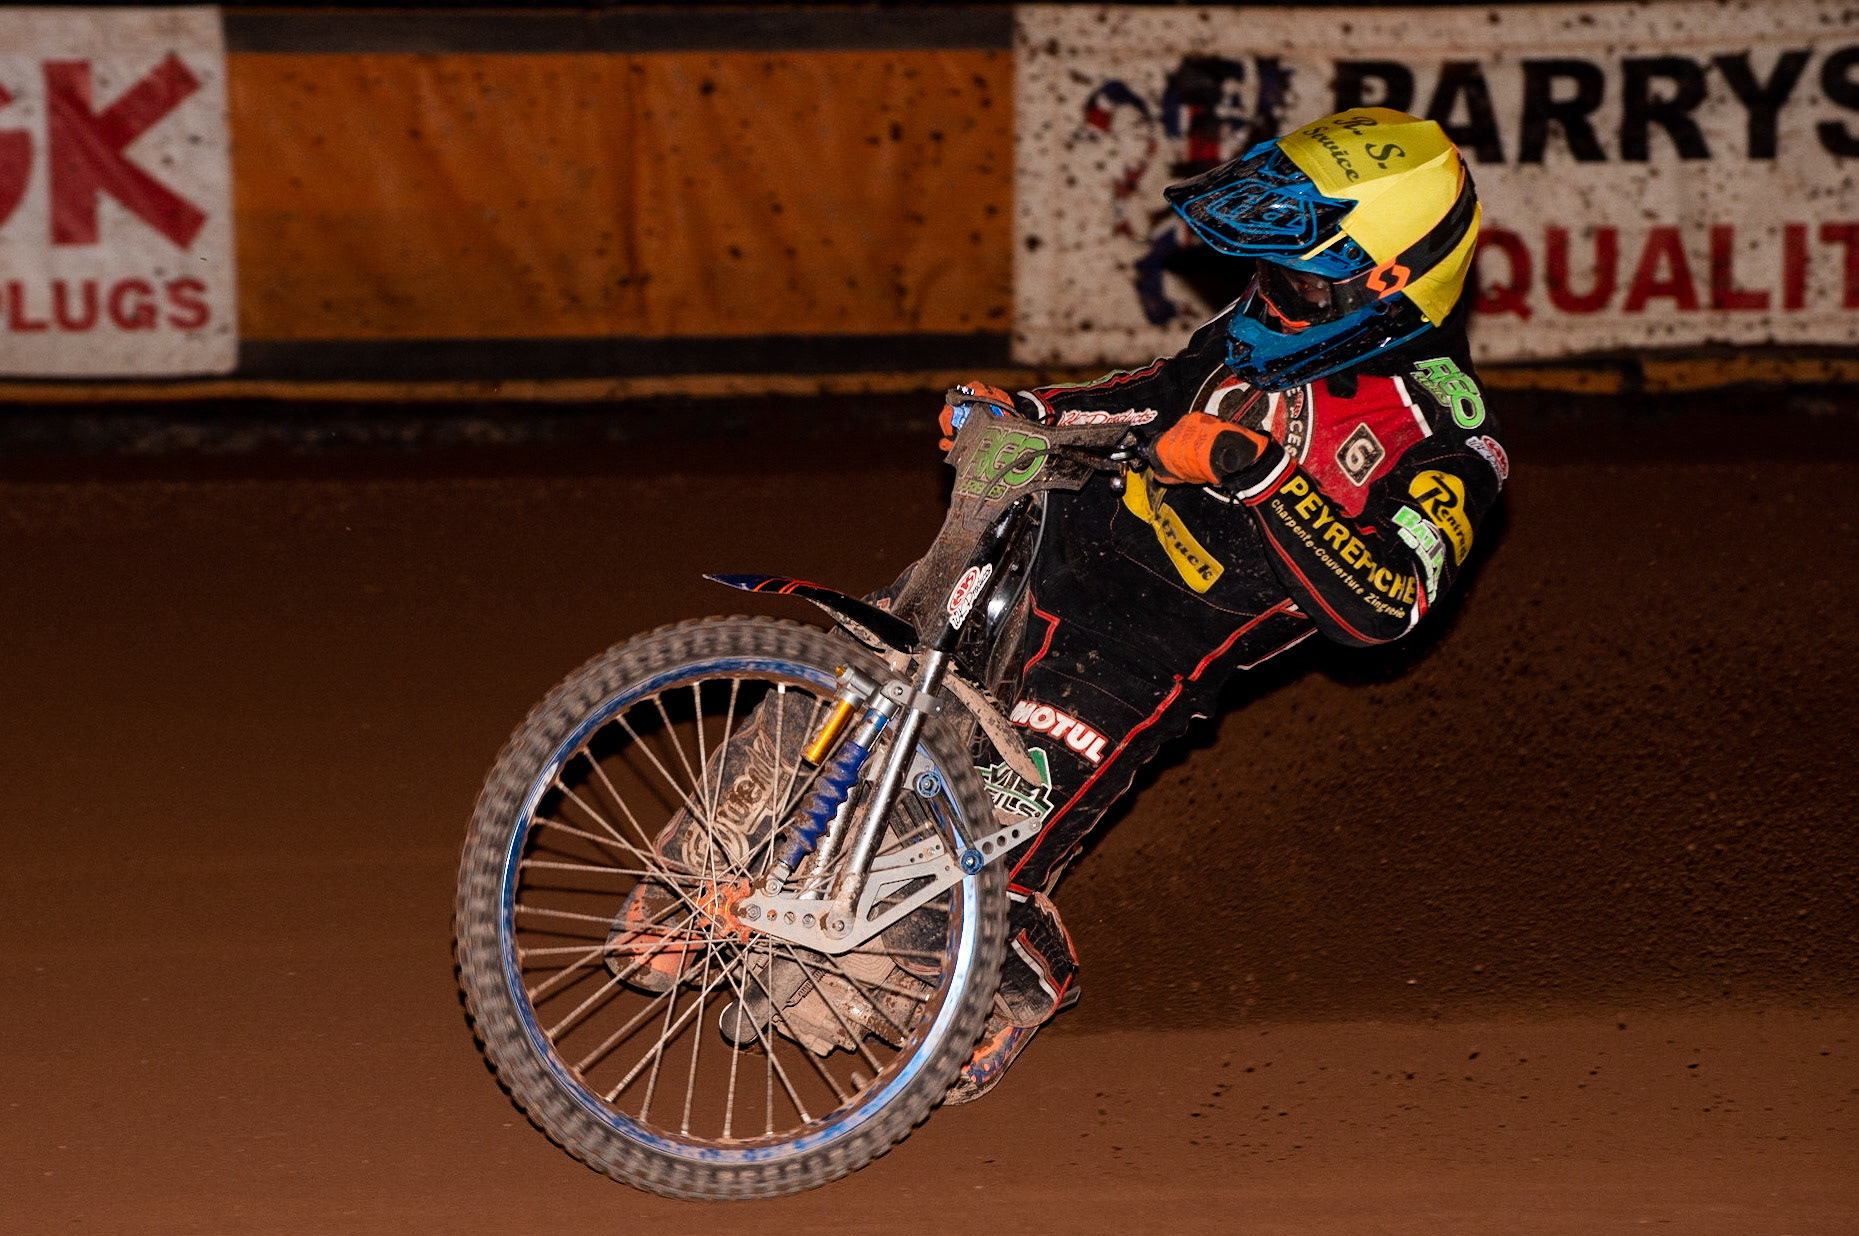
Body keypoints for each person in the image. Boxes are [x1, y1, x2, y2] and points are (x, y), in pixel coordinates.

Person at [935, 107, 1510, 1102]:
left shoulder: (1450, 441)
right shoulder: (1263, 329)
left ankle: (1021, 961)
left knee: (954, 878)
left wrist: (1257, 471)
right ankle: (705, 874)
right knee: (869, 682)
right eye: (1267, 270)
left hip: (1131, 660)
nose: (1270, 301)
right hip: (1045, 553)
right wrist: (1027, 415)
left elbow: (1386, 607)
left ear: (1386, 286)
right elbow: (1158, 395)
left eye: (1296, 277)